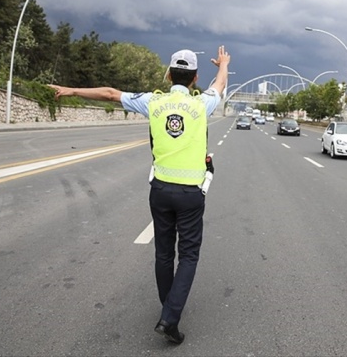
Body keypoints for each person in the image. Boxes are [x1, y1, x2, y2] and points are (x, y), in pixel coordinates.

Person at [49, 45, 231, 345]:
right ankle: (170, 316)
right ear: (195, 79)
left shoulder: (152, 102)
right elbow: (220, 84)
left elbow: (109, 93)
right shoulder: (202, 104)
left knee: (163, 253)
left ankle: (167, 309)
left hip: (160, 191)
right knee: (188, 256)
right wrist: (223, 64)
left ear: (169, 74)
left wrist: (70, 90)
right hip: (190, 195)